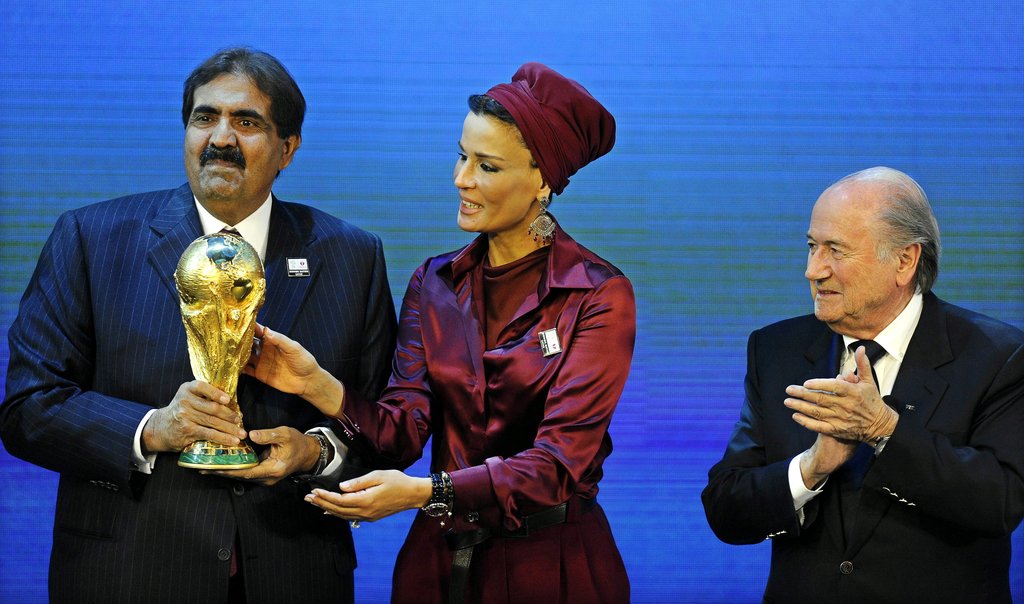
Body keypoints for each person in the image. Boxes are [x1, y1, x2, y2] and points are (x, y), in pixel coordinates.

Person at [0, 47, 396, 603]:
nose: (221, 138)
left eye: (247, 122)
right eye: (204, 118)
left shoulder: (352, 257)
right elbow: (28, 408)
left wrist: (316, 453)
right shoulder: (90, 240)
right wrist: (151, 429)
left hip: (294, 575)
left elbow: (387, 425)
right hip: (129, 576)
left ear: (288, 148)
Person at [243, 62, 634, 603]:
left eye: (486, 166)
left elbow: (558, 463)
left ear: (543, 180)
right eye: (461, 155)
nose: (461, 179)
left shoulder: (597, 294)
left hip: (552, 568)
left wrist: (428, 492)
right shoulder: (433, 281)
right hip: (436, 567)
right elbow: (403, 429)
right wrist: (317, 385)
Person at [702, 167, 1024, 602]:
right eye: (812, 247)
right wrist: (810, 468)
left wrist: (884, 430)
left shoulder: (998, 357)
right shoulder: (775, 350)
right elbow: (726, 508)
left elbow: (1000, 502)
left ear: (905, 261)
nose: (813, 270)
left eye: (835, 250)